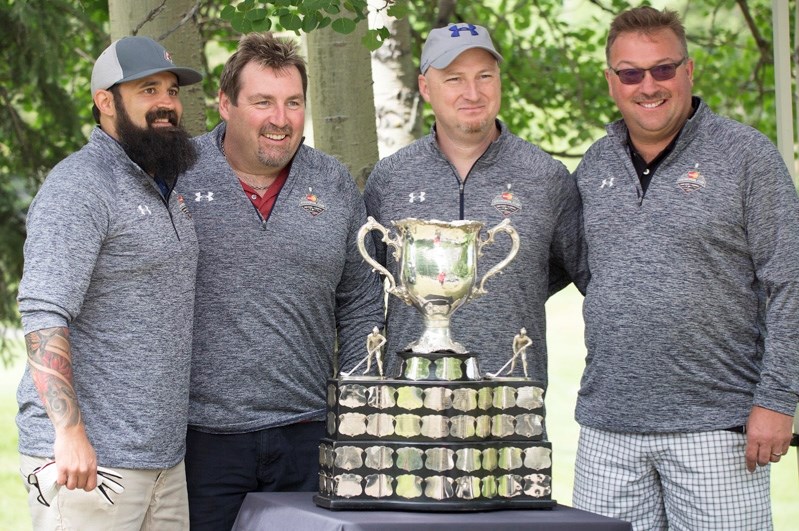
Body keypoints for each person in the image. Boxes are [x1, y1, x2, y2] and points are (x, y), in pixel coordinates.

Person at [572, 6, 799, 530]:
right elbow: (590, 273)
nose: (647, 85)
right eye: (630, 73)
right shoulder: (595, 164)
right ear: (611, 83)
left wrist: (778, 399)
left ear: (689, 71)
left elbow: (790, 283)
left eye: (662, 69)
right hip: (609, 429)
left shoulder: (748, 158)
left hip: (717, 429)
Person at [177, 32, 385, 530]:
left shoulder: (333, 182)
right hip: (201, 438)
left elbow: (360, 299)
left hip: (309, 434)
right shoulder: (178, 174)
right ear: (225, 105)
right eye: (263, 101)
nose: (281, 119)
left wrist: (354, 412)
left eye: (293, 102)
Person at [16, 36, 202, 530]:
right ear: (105, 101)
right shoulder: (80, 185)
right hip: (90, 465)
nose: (166, 103)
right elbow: (42, 312)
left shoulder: (164, 186)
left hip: (163, 459)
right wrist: (69, 433)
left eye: (171, 90)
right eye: (147, 90)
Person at [363, 23, 588, 382]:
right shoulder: (390, 178)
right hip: (406, 406)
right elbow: (363, 292)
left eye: (484, 76)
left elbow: (582, 277)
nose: (473, 92)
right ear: (425, 88)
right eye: (454, 79)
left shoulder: (546, 177)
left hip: (513, 404)